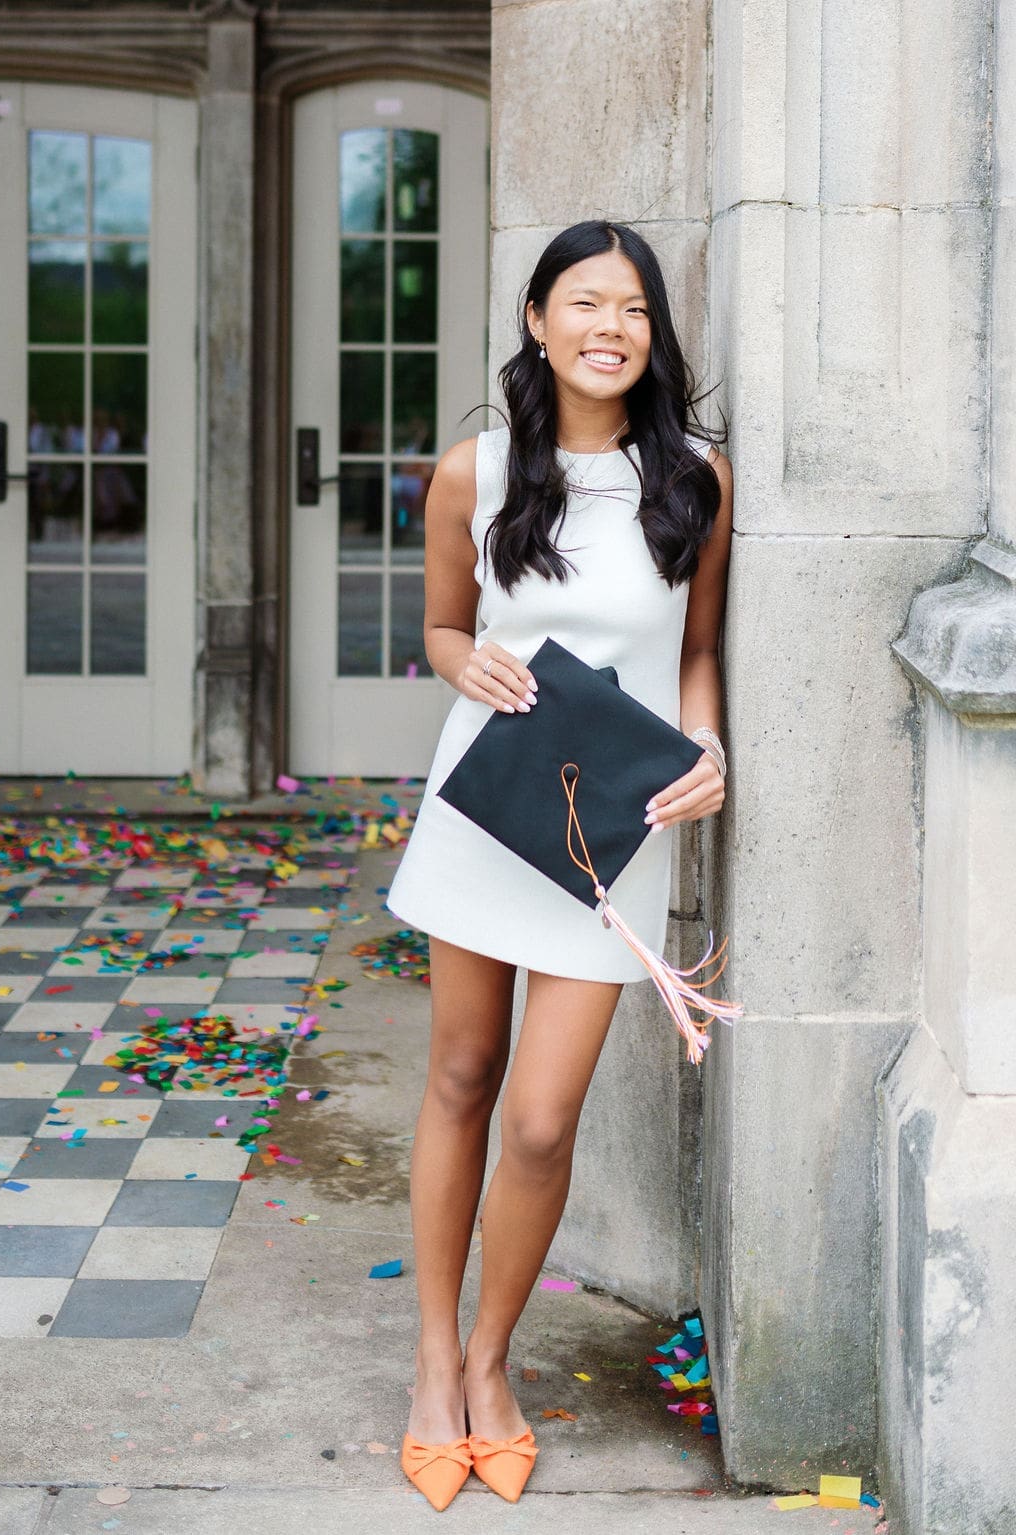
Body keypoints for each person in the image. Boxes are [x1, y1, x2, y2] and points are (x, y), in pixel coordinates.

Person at [384, 218, 733, 1511]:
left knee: (538, 1120)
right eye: (584, 301)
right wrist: (449, 655)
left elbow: (695, 648)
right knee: (464, 1075)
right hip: (487, 806)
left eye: (633, 308)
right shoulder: (475, 471)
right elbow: (441, 620)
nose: (610, 326)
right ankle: (434, 1364)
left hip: (610, 833)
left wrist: (707, 742)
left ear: (654, 335)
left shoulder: (697, 476)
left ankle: (492, 1362)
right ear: (537, 320)